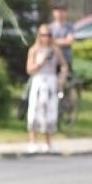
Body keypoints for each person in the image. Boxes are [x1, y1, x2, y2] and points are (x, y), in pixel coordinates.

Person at [25, 24, 68, 154]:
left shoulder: (55, 50)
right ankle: (32, 142)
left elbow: (64, 65)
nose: (47, 38)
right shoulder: (34, 50)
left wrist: (61, 79)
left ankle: (48, 142)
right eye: (44, 35)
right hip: (38, 80)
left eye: (49, 35)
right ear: (39, 36)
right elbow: (29, 69)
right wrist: (40, 62)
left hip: (51, 80)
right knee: (35, 109)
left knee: (50, 110)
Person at [48, 6, 76, 71]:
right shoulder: (50, 27)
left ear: (66, 13)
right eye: (57, 11)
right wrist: (63, 41)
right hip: (53, 59)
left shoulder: (70, 27)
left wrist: (53, 41)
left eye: (62, 11)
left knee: (66, 79)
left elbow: (69, 41)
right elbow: (47, 42)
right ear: (53, 13)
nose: (60, 13)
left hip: (66, 59)